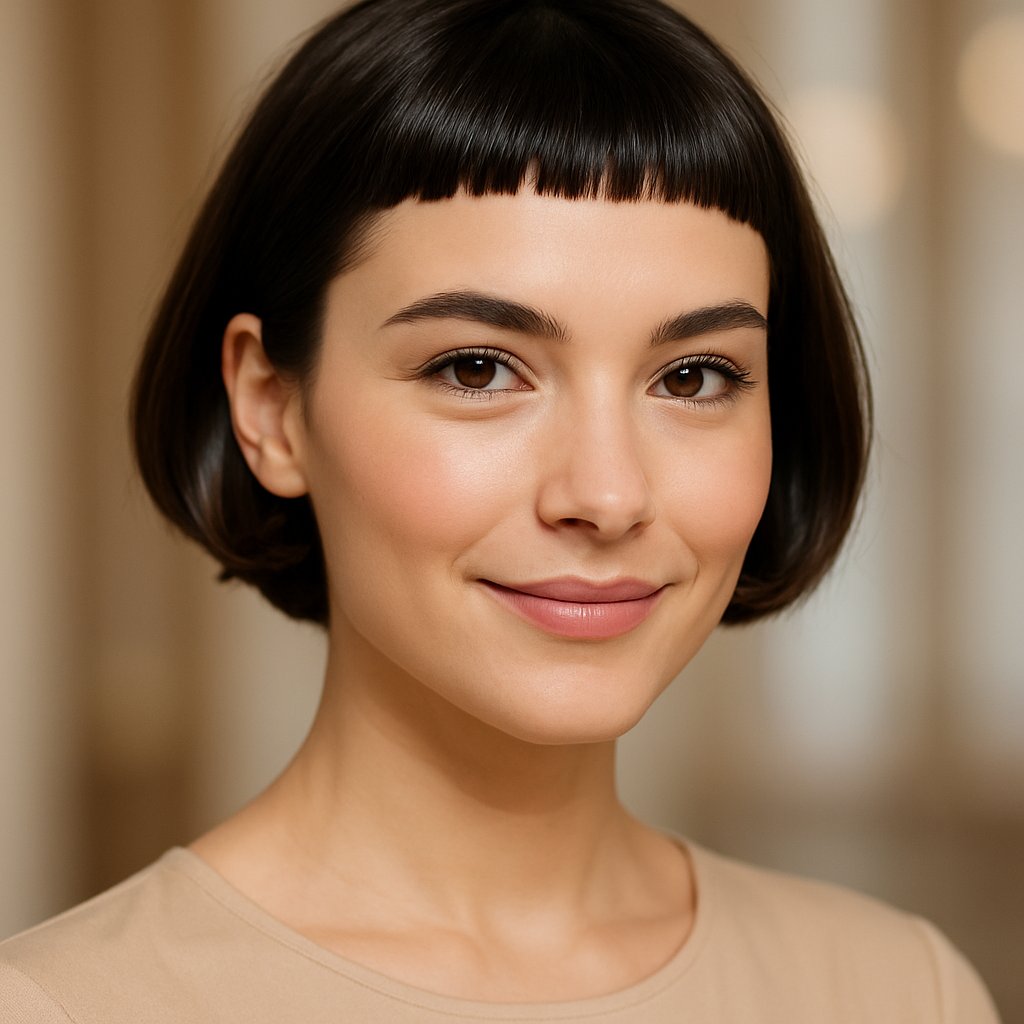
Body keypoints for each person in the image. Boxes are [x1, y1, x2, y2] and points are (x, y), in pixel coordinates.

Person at [0, 0, 1001, 1020]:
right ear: (271, 408)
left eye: (693, 378)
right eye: (477, 368)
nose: (606, 495)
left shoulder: (898, 991)